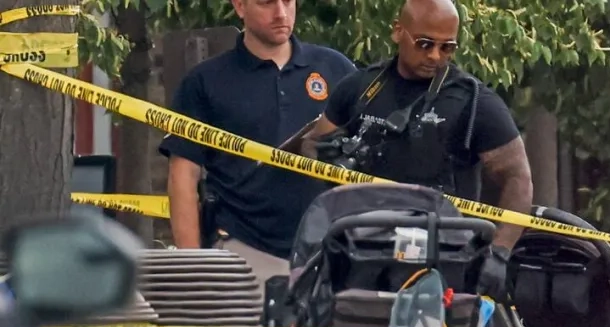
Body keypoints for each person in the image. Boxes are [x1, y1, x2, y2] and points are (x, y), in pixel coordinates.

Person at [301, 0, 533, 300]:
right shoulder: (360, 87)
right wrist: (328, 160)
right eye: (424, 43)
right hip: (360, 251)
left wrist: (500, 252)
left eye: (447, 47)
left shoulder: (476, 102)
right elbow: (312, 144)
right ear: (398, 32)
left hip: (443, 259)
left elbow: (518, 178)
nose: (435, 55)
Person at [159, 0, 357, 287]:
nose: (281, 13)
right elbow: (182, 177)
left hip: (330, 254)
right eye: (266, 3)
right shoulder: (204, 82)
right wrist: (193, 270)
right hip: (243, 252)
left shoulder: (336, 68)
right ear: (240, 6)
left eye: (288, 1)